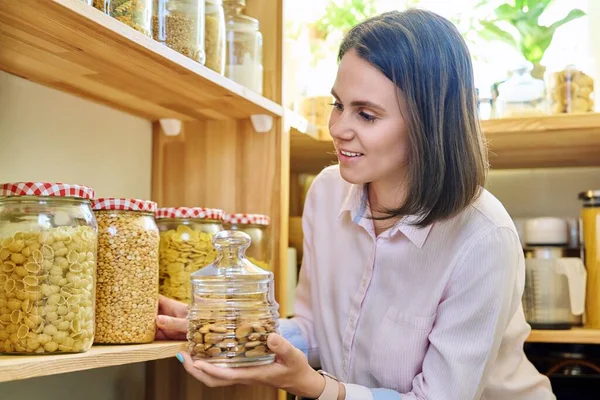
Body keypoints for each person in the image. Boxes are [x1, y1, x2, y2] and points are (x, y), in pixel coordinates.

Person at [155, 8, 555, 400]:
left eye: (365, 114)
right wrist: (232, 330)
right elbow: (317, 329)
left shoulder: (484, 237)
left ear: (429, 123)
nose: (338, 129)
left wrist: (313, 386)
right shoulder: (327, 194)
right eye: (338, 105)